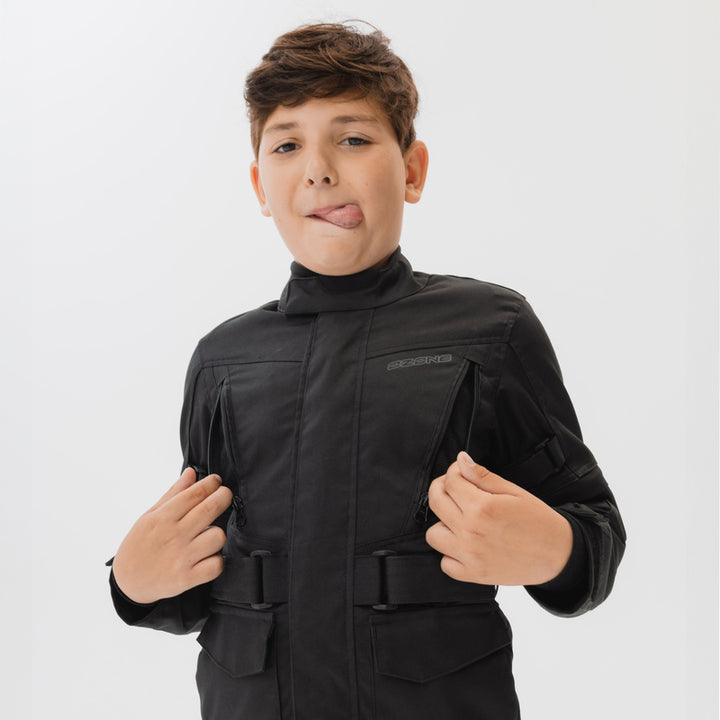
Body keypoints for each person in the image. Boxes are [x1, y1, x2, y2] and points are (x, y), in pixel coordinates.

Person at [108, 21, 626, 720]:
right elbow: (199, 570)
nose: (319, 169)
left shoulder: (490, 329)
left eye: (352, 139)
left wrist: (556, 550)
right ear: (261, 185)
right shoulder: (224, 358)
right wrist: (134, 583)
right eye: (287, 145)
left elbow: (595, 530)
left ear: (412, 170)